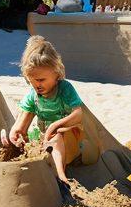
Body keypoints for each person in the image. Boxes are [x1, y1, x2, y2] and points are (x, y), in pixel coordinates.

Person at [9, 36, 83, 184]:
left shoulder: (64, 89)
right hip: (44, 139)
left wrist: (56, 125)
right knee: (29, 141)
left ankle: (60, 177)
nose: (37, 85)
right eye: (32, 81)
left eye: (41, 80)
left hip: (68, 139)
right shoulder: (33, 95)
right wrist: (15, 133)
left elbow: (78, 114)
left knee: (55, 138)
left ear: (56, 74)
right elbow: (21, 124)